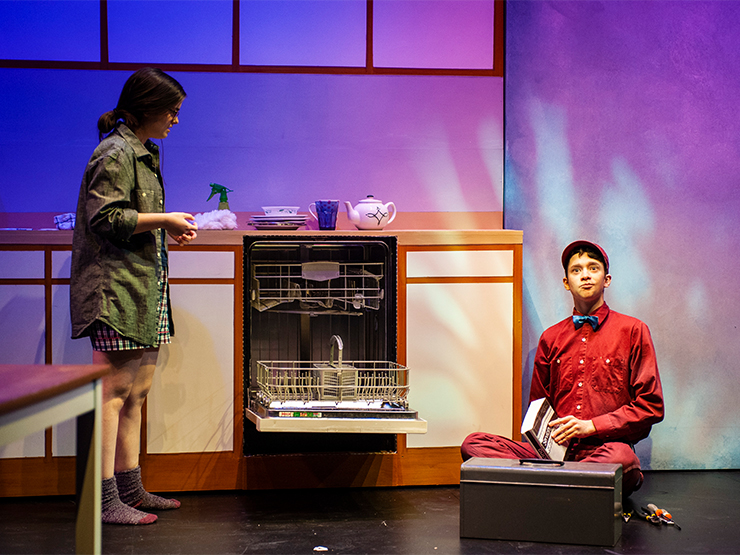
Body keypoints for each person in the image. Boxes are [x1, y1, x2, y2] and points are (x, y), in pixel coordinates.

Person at [70, 67, 198, 525]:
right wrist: (163, 221)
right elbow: (105, 218)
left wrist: (165, 227)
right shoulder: (114, 153)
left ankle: (130, 488)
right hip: (115, 291)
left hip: (142, 286)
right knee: (113, 390)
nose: (175, 121)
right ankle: (104, 501)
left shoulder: (143, 152)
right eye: (171, 111)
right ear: (147, 108)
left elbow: (133, 218)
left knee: (138, 390)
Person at [461, 240, 664, 497]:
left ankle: (542, 488)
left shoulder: (634, 331)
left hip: (605, 452)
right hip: (554, 456)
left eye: (593, 268)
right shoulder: (550, 338)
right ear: (567, 282)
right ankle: (565, 488)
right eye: (576, 270)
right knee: (474, 444)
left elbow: (651, 407)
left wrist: (591, 426)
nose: (586, 275)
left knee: (623, 458)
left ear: (607, 279)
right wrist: (547, 445)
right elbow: (539, 408)